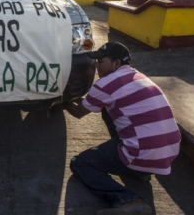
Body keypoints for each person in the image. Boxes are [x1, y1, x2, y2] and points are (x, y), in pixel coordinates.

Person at [64, 42, 181, 214]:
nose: (97, 66)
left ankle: (128, 200)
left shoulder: (106, 84)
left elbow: (78, 112)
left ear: (116, 63)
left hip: (143, 152)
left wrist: (62, 98)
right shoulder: (139, 77)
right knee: (108, 110)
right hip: (169, 149)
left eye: (101, 61)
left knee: (81, 163)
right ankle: (141, 173)